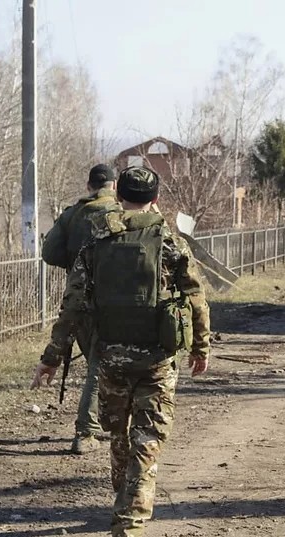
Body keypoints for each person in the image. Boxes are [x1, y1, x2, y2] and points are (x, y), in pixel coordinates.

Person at [31, 166, 211, 537]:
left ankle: (125, 500)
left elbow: (73, 305)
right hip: (158, 359)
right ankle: (130, 519)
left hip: (110, 357)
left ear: (119, 195)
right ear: (156, 198)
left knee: (119, 435)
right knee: (147, 440)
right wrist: (200, 347)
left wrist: (52, 357)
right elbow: (196, 298)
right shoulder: (170, 241)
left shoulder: (96, 241)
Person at [41, 163, 120, 454]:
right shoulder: (120, 213)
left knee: (97, 364)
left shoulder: (72, 214)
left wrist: (75, 262)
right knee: (100, 367)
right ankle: (86, 431)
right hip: (112, 301)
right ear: (113, 186)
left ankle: (103, 423)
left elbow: (50, 253)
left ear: (89, 186)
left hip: (78, 302)